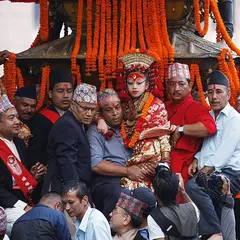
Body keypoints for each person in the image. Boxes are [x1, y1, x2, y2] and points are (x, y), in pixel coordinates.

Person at [99, 50, 174, 190]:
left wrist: (165, 161)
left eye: (139, 83)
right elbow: (108, 113)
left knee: (135, 185)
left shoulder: (156, 104)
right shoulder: (125, 106)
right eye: (130, 83)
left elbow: (163, 133)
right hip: (133, 154)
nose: (134, 87)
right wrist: (100, 119)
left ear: (146, 85)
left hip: (151, 153)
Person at [186, 70, 240, 239]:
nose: (214, 97)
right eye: (210, 92)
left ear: (228, 94)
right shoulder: (208, 117)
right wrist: (197, 158)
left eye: (219, 92)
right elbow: (209, 146)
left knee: (194, 186)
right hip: (211, 172)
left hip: (230, 173)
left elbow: (223, 154)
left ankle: (214, 231)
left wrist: (203, 171)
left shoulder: (235, 119)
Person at [88, 88, 146, 220]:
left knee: (147, 195)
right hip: (107, 181)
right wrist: (127, 171)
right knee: (121, 194)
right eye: (108, 110)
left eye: (117, 108)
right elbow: (95, 164)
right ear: (101, 113)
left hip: (132, 178)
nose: (115, 113)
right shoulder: (96, 130)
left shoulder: (129, 126)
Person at [0, 93, 45, 236]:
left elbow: (18, 178)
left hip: (23, 201)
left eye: (17, 117)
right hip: (5, 206)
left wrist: (32, 177)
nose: (17, 121)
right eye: (11, 118)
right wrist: (23, 206)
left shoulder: (19, 143)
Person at [165, 62, 217, 184]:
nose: (176, 88)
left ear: (189, 85)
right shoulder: (163, 106)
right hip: (163, 164)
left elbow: (210, 127)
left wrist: (181, 129)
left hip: (183, 168)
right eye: (172, 84)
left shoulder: (197, 107)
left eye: (181, 84)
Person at [42, 83, 98, 194]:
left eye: (92, 109)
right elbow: (67, 162)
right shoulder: (67, 125)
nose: (89, 114)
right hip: (64, 190)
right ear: (72, 105)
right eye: (85, 108)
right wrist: (76, 193)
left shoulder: (77, 122)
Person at [27, 68, 73, 167]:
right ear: (50, 94)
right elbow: (34, 152)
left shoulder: (77, 116)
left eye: (69, 91)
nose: (65, 96)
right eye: (60, 91)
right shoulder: (40, 119)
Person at [148, 165, 199, 240]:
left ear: (155, 194)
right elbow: (191, 204)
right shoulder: (192, 209)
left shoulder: (154, 218)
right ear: (178, 189)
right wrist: (182, 190)